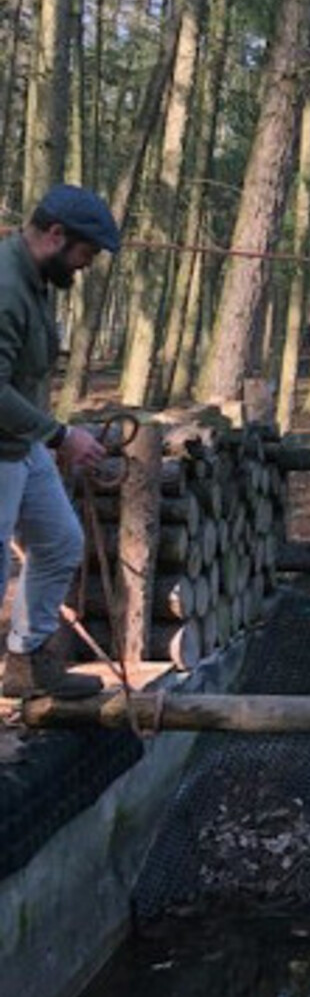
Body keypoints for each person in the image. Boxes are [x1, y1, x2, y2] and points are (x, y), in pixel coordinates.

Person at [1, 185, 121, 698]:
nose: (86, 265)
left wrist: (54, 434)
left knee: (60, 542)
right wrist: (59, 435)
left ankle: (25, 662)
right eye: (85, 253)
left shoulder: (34, 279)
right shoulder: (6, 287)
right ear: (55, 235)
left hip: (21, 445)